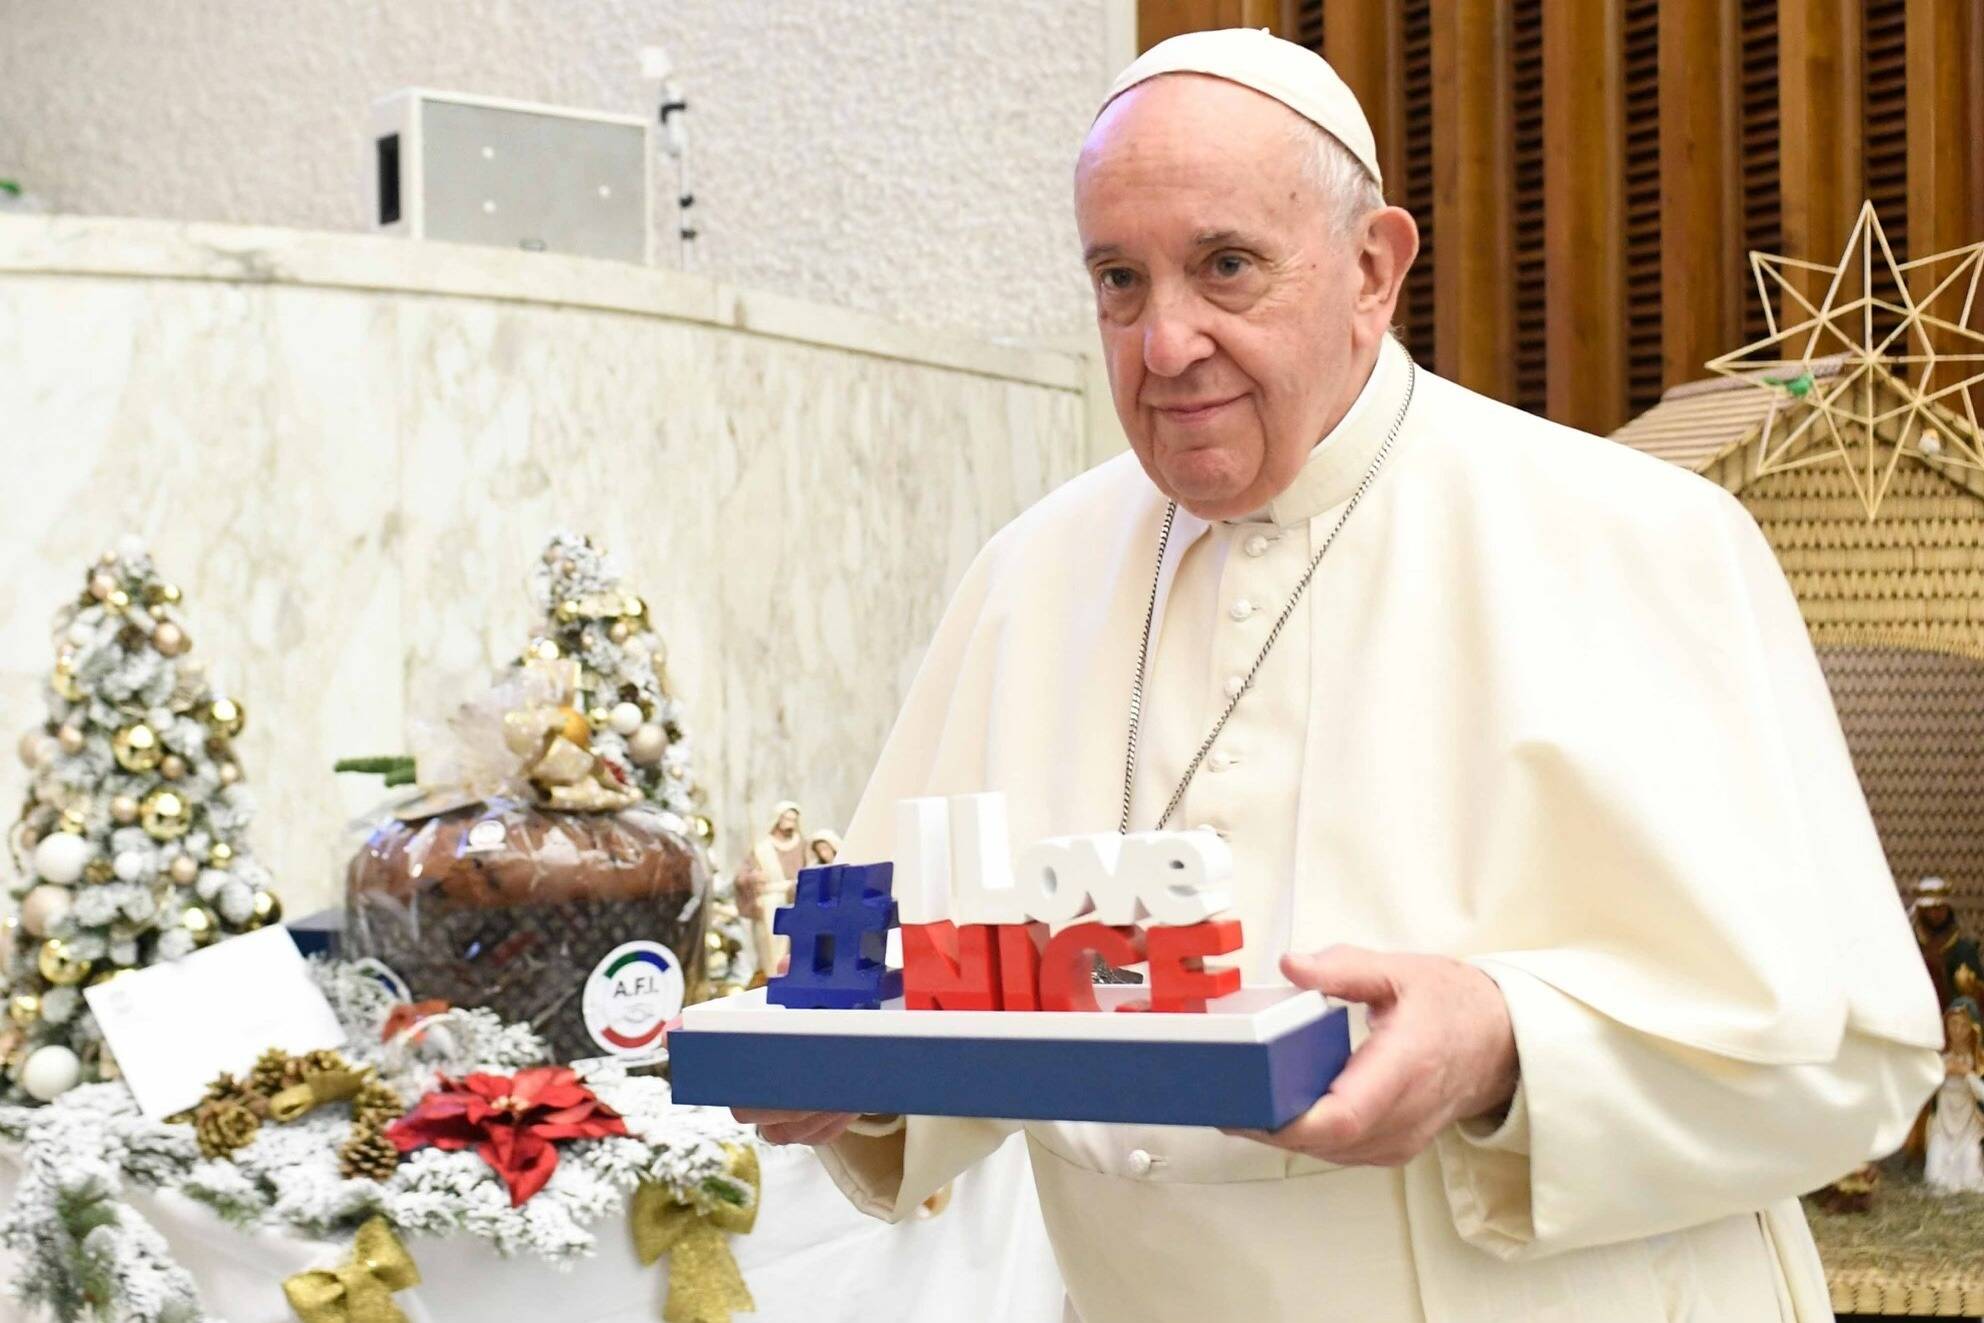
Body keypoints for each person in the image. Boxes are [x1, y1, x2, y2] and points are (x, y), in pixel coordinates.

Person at [739, 29, 1943, 1323]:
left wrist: (1505, 1046)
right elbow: (949, 1003)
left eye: (1226, 267)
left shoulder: (1636, 540)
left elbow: (1859, 1059)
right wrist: (854, 1074)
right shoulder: (1032, 576)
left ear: (1374, 268)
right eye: (1119, 279)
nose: (1164, 343)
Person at [733, 801, 805, 976]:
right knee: (773, 954)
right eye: (787, 819)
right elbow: (740, 878)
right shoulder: (762, 850)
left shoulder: (804, 845)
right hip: (770, 905)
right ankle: (774, 976)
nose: (790, 823)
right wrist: (753, 878)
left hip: (799, 901)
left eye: (794, 819)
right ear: (777, 820)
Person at [1926, 998, 1984, 1195]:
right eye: (1953, 1024)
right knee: (1935, 1180)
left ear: (1973, 1029)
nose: (1958, 1031)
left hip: (1969, 1132)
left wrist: (1967, 1073)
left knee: (1970, 1180)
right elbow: (1924, 1089)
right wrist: (1943, 1071)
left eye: (1964, 1025)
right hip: (1942, 1130)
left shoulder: (1979, 1062)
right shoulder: (1938, 1060)